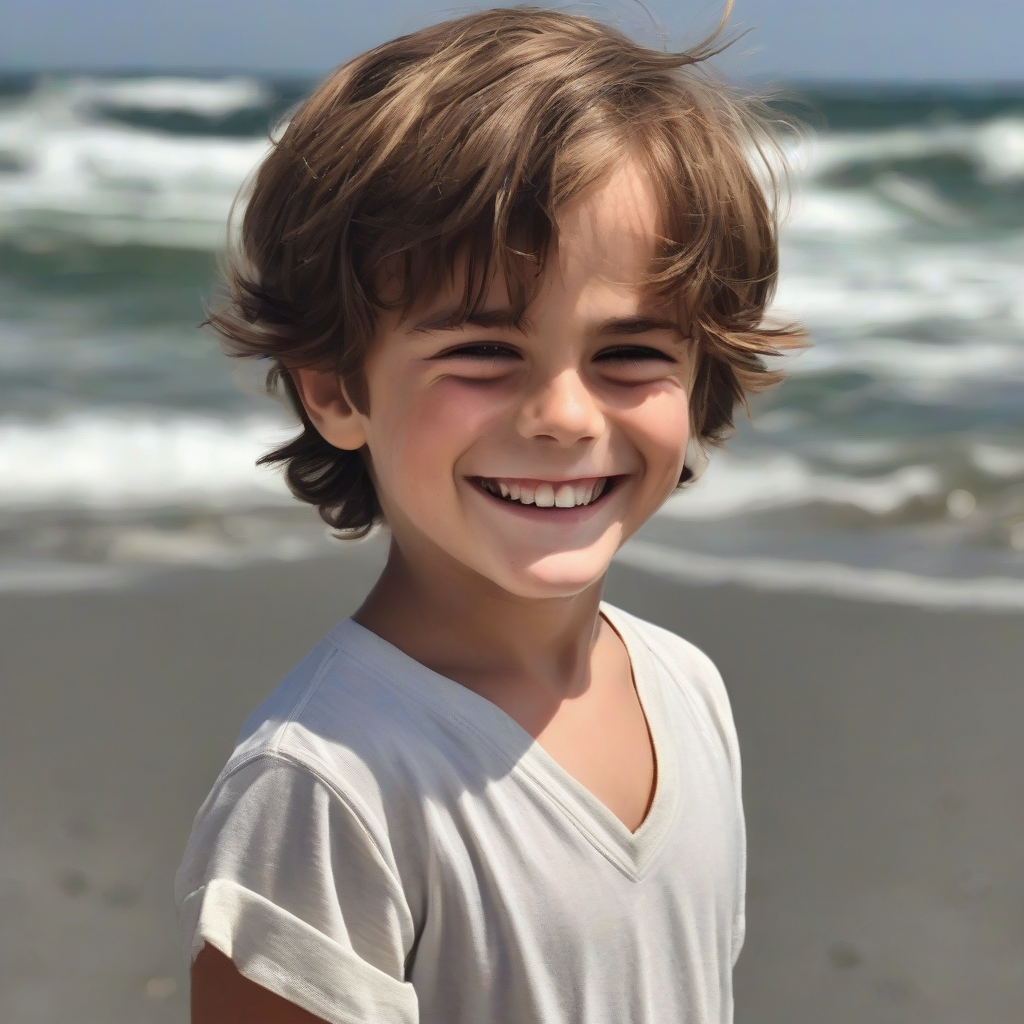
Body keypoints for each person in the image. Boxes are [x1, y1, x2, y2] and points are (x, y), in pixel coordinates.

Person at [175, 6, 803, 1022]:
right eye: (481, 351)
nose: (561, 415)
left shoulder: (687, 687)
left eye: (630, 353)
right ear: (335, 388)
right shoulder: (326, 789)